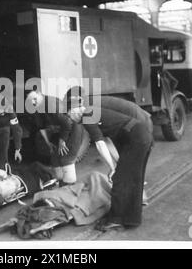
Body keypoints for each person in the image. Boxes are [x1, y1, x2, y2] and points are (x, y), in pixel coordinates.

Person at [64, 88, 153, 231]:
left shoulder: (87, 115)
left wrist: (114, 169)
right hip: (140, 135)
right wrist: (114, 166)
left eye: (69, 115)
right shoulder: (92, 112)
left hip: (136, 136)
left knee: (120, 180)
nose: (70, 119)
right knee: (133, 179)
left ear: (74, 109)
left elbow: (100, 145)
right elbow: (106, 140)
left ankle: (116, 219)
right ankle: (131, 219)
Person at [25, 90, 88, 186]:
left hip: (73, 127)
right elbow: (42, 127)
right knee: (55, 158)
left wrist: (62, 141)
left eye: (35, 99)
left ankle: (70, 184)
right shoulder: (38, 109)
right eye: (31, 101)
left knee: (66, 157)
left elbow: (67, 123)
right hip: (60, 129)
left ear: (40, 94)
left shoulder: (51, 104)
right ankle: (62, 183)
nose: (34, 102)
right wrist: (48, 142)